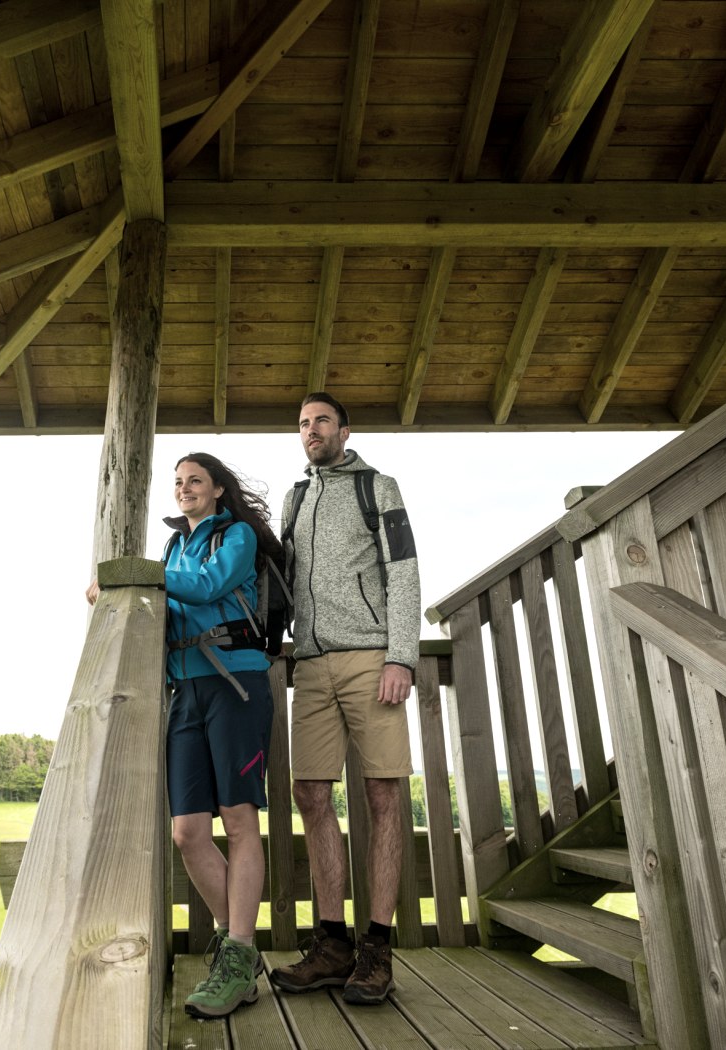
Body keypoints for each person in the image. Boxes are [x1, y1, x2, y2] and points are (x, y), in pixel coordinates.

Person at [86, 452, 281, 1020]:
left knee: (240, 820)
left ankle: (237, 954)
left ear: (218, 489)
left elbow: (205, 588)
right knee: (188, 832)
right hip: (184, 692)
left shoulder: (237, 536)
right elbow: (167, 605)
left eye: (195, 480)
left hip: (236, 683)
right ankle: (237, 947)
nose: (184, 489)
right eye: (177, 483)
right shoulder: (173, 549)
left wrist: (132, 573)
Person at [269, 392, 420, 1006]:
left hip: (369, 658)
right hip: (309, 663)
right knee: (310, 791)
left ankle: (376, 952)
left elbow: (404, 568)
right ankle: (333, 946)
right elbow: (279, 578)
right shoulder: (295, 498)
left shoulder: (377, 488)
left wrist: (400, 655)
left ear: (344, 430)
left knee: (384, 791)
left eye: (321, 421)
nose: (311, 431)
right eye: (303, 424)